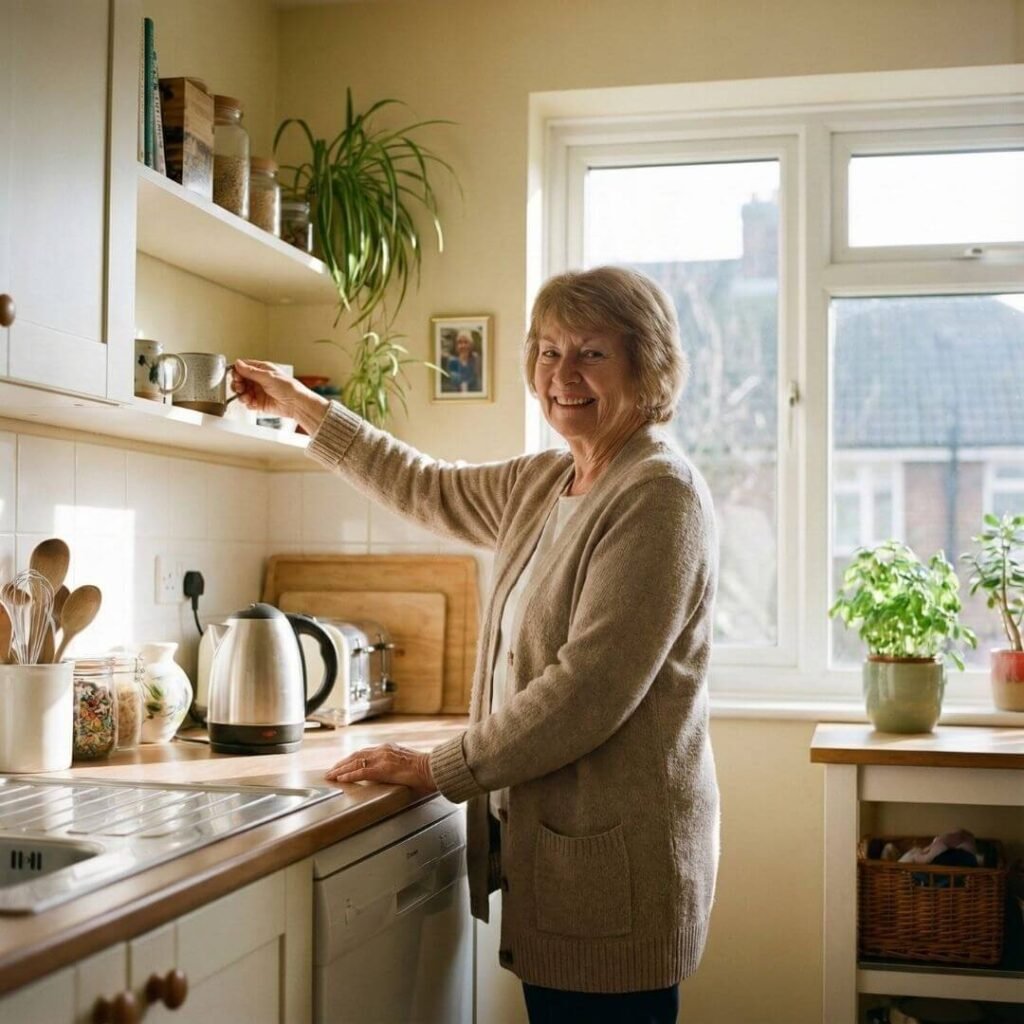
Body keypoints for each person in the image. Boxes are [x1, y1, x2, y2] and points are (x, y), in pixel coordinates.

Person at [231, 265, 720, 1024]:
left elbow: (587, 690)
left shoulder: (659, 493)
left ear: (646, 366)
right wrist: (303, 408)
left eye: (591, 353)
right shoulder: (547, 481)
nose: (563, 375)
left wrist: (440, 766)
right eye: (549, 351)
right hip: (567, 863)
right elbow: (423, 484)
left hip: (617, 872)